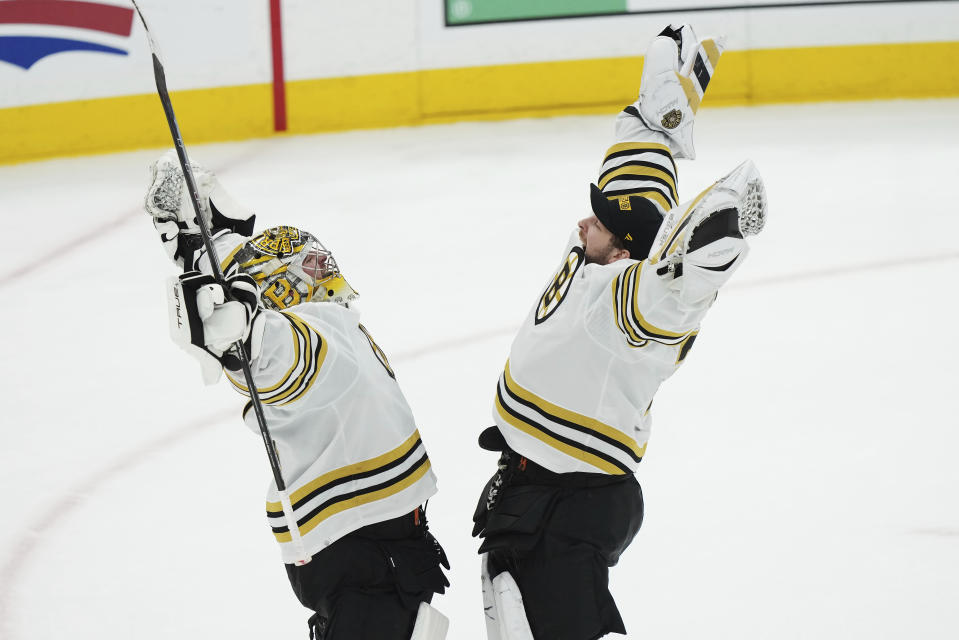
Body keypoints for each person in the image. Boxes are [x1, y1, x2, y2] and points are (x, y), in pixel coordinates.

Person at [471, 24, 768, 640]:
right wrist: (657, 112)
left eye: (600, 224)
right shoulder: (597, 258)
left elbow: (673, 300)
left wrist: (713, 246)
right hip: (536, 491)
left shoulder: (624, 298)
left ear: (623, 250)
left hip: (568, 503)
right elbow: (630, 182)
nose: (583, 223)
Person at [143, 152, 450, 640]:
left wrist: (214, 265)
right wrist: (223, 287)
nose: (330, 282)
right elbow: (271, 326)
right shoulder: (329, 337)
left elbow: (268, 323)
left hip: (367, 564)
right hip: (373, 561)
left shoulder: (327, 333)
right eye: (315, 273)